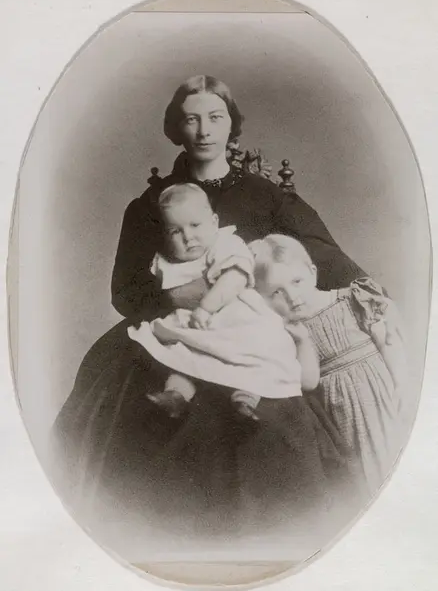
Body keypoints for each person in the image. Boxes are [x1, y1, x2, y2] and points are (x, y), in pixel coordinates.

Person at [51, 74, 378, 550]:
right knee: (146, 425)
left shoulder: (267, 196)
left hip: (250, 331)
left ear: (231, 125)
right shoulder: (150, 204)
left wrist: (370, 297)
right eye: (191, 119)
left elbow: (322, 256)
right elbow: (125, 292)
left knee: (276, 427)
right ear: (176, 128)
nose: (204, 130)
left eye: (215, 117)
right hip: (175, 328)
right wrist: (184, 297)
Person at [128, 182, 319, 422]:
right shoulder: (166, 260)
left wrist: (205, 307)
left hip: (237, 319)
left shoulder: (225, 244)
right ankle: (176, 395)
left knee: (256, 356)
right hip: (197, 326)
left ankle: (246, 402)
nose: (188, 237)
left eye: (195, 225)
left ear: (214, 222)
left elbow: (235, 278)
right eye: (175, 231)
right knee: (183, 357)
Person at [252, 234, 406, 494]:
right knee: (359, 477)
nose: (292, 296)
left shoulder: (351, 299)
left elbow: (387, 341)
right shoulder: (287, 331)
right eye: (276, 292)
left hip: (378, 396)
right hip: (335, 411)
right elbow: (308, 381)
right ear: (262, 298)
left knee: (392, 459)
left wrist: (400, 382)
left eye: (297, 281)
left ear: (312, 273)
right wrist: (301, 340)